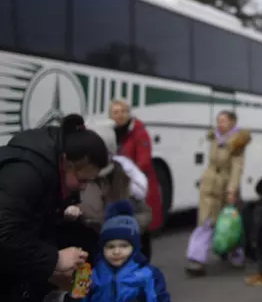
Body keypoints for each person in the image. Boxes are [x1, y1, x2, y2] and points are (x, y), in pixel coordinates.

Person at [0, 114, 109, 301]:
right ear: (66, 161)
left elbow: (37, 228)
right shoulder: (26, 173)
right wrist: (55, 260)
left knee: (86, 239)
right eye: (82, 180)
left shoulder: (54, 172)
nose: (83, 187)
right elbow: (5, 234)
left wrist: (52, 271)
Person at [185, 110, 251, 276]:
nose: (219, 123)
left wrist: (231, 190)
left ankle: (236, 254)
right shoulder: (214, 137)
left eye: (223, 121)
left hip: (226, 186)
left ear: (232, 123)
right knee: (205, 221)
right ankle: (197, 260)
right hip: (209, 185)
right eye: (218, 120)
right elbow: (211, 163)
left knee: (229, 222)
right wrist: (203, 178)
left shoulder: (237, 142)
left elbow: (237, 168)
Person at [77, 126, 152, 262]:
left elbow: (144, 213)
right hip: (87, 254)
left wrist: (124, 228)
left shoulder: (121, 177)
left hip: (118, 256)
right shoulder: (74, 179)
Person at [85, 200, 170, 302]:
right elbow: (77, 298)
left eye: (124, 246)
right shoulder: (91, 273)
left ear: (135, 248)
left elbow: (159, 298)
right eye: (110, 247)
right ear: (102, 249)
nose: (116, 252)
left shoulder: (148, 274)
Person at [109, 100, 162, 259]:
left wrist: (126, 172)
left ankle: (144, 264)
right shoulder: (110, 132)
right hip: (119, 187)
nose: (119, 115)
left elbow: (143, 162)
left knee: (141, 227)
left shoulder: (139, 132)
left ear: (129, 113)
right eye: (115, 112)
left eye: (123, 111)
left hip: (138, 187)